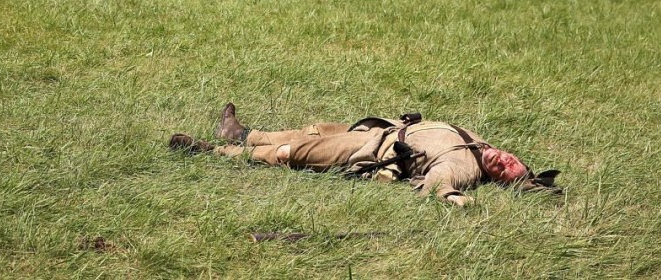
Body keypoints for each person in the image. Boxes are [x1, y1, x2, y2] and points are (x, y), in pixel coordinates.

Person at [169, 103, 561, 206]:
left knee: (299, 151)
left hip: (372, 149)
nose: (503, 163)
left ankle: (216, 151)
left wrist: (454, 198)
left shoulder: (463, 165)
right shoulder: (476, 140)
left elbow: (439, 184)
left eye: (505, 173)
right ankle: (241, 133)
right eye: (512, 161)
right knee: (315, 129)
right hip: (380, 127)